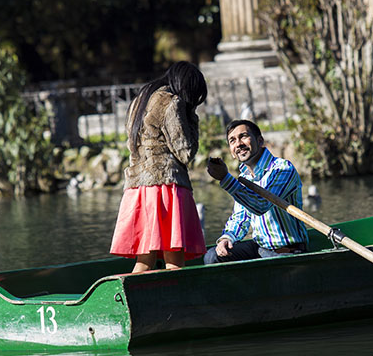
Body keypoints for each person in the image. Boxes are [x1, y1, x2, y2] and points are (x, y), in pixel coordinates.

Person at [110, 61, 208, 273]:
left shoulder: (139, 101)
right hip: (166, 187)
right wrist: (191, 117)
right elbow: (185, 151)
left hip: (138, 189)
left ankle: (129, 299)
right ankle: (174, 303)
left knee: (144, 262)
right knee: (175, 262)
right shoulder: (171, 102)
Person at [204, 119, 308, 263]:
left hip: (286, 251)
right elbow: (241, 217)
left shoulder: (282, 168)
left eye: (243, 136)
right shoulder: (244, 178)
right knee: (212, 257)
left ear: (259, 141)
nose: (238, 144)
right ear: (232, 152)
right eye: (232, 140)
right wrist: (227, 237)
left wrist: (225, 178)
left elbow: (261, 205)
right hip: (259, 248)